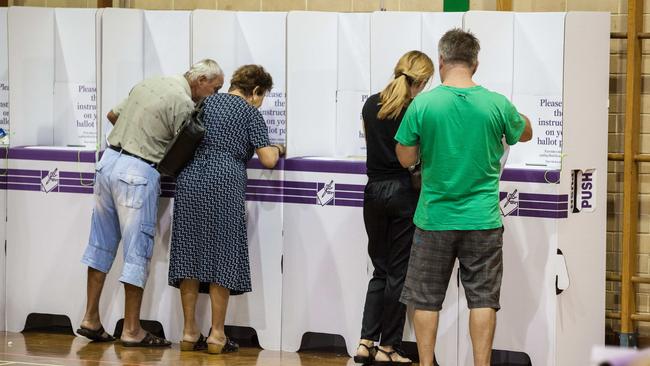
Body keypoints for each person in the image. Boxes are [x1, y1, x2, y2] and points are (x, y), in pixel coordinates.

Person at [395, 29, 533, 366]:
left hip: (434, 218)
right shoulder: (496, 103)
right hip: (482, 219)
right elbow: (525, 132)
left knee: (426, 300)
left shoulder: (424, 104)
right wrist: (517, 119)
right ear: (475, 62)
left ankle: (427, 363)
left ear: (441, 60)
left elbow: (405, 157)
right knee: (483, 299)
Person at [78, 59, 225, 347]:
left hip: (107, 163)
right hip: (137, 173)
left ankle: (91, 318)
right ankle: (132, 329)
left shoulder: (150, 82)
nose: (215, 95)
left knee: (99, 245)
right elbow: (184, 149)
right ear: (201, 81)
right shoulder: (183, 102)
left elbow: (111, 114)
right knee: (137, 253)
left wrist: (139, 133)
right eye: (215, 88)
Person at [168, 64, 284, 354]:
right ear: (255, 91)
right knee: (224, 253)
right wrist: (280, 148)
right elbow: (268, 158)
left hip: (191, 178)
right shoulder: (249, 113)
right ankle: (217, 335)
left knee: (189, 252)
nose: (261, 101)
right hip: (225, 181)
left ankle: (188, 331)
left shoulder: (206, 102)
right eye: (262, 96)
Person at [353, 50, 434, 366]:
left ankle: (364, 342)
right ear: (423, 80)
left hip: (373, 192)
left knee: (380, 269)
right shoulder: (417, 109)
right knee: (399, 273)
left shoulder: (370, 103)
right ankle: (388, 346)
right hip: (404, 193)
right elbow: (418, 156)